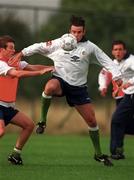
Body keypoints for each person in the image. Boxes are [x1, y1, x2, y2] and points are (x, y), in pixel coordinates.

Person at [14, 15, 123, 166]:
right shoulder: (60, 42)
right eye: (73, 32)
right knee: (50, 87)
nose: (76, 35)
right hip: (60, 80)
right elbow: (40, 46)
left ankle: (98, 154)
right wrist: (22, 53)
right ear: (69, 31)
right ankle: (43, 121)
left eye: (79, 32)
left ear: (84, 32)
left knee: (92, 121)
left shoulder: (90, 47)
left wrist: (117, 76)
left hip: (78, 88)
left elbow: (107, 61)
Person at [0, 35, 54, 165]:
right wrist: (40, 73)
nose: (14, 50)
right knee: (1, 131)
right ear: (1, 50)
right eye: (11, 48)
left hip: (8, 107)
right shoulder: (1, 63)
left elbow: (33, 67)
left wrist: (52, 67)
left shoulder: (15, 62)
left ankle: (15, 155)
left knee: (29, 125)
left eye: (14, 48)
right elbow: (16, 74)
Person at [98, 40, 134, 159]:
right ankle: (118, 151)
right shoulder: (111, 63)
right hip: (122, 97)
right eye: (116, 49)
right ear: (112, 52)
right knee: (122, 124)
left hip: (130, 95)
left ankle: (115, 151)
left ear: (125, 51)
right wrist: (103, 86)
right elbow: (103, 74)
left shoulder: (131, 61)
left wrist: (130, 82)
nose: (118, 52)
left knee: (117, 121)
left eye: (120, 49)